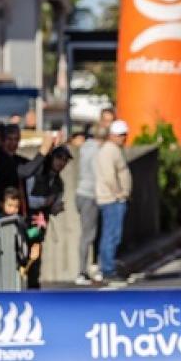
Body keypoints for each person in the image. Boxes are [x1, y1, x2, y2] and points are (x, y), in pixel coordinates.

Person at [21, 141, 72, 288]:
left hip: (40, 225)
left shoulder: (59, 182)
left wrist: (55, 207)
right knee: (26, 252)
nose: (61, 162)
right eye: (59, 157)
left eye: (65, 160)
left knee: (36, 252)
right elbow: (28, 199)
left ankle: (33, 284)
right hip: (27, 221)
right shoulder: (36, 173)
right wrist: (46, 201)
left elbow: (54, 204)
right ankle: (28, 284)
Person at [96, 120, 132, 286]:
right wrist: (119, 193)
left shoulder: (114, 150)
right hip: (111, 199)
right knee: (111, 235)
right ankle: (107, 269)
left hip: (114, 198)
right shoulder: (108, 151)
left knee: (113, 235)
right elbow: (110, 176)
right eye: (121, 135)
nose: (124, 138)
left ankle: (108, 266)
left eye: (125, 135)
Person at [75, 126, 105, 284]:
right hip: (90, 194)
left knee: (88, 234)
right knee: (88, 235)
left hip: (81, 193)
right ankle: (82, 271)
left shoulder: (84, 148)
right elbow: (98, 173)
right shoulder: (96, 152)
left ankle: (87, 268)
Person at [0, 186, 41, 282]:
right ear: (2, 204)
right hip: (5, 261)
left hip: (20, 261)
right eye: (10, 205)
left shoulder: (20, 220)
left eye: (16, 206)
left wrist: (38, 231)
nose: (13, 209)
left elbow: (28, 233)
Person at [0, 124, 29, 210]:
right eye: (9, 139)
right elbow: (26, 171)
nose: (13, 143)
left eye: (16, 139)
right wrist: (43, 151)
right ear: (2, 141)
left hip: (15, 210)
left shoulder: (18, 160)